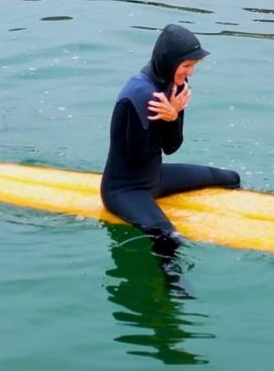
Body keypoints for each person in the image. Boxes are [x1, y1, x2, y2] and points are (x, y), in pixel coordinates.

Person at [101, 24, 240, 255]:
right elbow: (138, 159)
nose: (190, 73)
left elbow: (171, 147)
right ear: (169, 61)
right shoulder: (137, 94)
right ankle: (170, 285)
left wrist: (173, 116)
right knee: (168, 236)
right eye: (186, 66)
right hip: (125, 189)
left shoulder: (176, 87)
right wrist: (163, 118)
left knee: (230, 179)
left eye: (193, 66)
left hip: (156, 177)